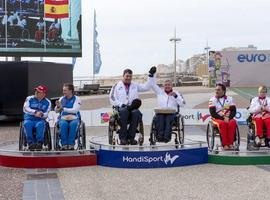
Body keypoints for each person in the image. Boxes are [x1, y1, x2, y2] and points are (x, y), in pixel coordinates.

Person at [109, 67, 156, 145]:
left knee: (136, 113)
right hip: (120, 108)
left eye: (130, 76)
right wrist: (121, 104)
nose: (128, 78)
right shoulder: (116, 85)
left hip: (132, 108)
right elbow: (112, 97)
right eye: (127, 76)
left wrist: (151, 76)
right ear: (123, 76)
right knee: (124, 112)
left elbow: (146, 87)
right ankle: (123, 138)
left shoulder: (135, 85)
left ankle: (131, 138)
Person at [151, 76, 185, 142]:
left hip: (172, 113)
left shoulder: (177, 93)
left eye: (169, 85)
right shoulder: (160, 92)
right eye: (166, 85)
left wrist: (176, 96)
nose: (167, 86)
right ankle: (159, 137)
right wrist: (152, 75)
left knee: (168, 119)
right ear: (163, 86)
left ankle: (167, 137)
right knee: (160, 118)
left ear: (172, 86)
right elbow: (152, 84)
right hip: (161, 112)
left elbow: (183, 104)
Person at [208, 83, 237, 150]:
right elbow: (213, 113)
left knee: (233, 122)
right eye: (216, 90)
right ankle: (224, 144)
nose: (216, 91)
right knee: (222, 123)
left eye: (218, 90)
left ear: (223, 91)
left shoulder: (230, 99)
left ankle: (230, 143)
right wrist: (223, 118)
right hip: (217, 118)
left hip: (228, 117)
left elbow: (233, 111)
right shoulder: (212, 100)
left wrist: (229, 118)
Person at [23, 85, 51, 150]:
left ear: (44, 94)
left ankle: (39, 143)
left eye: (38, 92)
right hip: (29, 118)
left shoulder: (47, 102)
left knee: (40, 125)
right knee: (27, 124)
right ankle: (30, 143)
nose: (36, 92)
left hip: (40, 119)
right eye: (36, 90)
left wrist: (41, 114)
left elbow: (46, 114)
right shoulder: (29, 98)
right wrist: (35, 112)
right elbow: (25, 108)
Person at [55, 83, 81, 150]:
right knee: (63, 124)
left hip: (74, 117)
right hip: (63, 117)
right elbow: (56, 110)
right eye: (63, 90)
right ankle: (64, 144)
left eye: (65, 90)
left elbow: (75, 110)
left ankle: (71, 144)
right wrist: (58, 107)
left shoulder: (77, 99)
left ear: (70, 91)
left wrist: (63, 108)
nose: (63, 92)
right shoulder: (61, 98)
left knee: (73, 124)